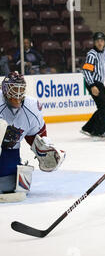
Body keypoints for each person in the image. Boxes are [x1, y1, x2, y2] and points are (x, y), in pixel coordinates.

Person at [0, 72, 65, 200]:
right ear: (5, 91)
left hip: (10, 145)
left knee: (6, 186)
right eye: (14, 90)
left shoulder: (31, 107)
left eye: (20, 90)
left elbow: (36, 134)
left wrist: (43, 148)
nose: (18, 95)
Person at [80, 32, 105, 140]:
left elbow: (102, 68)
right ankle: (98, 131)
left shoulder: (104, 52)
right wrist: (92, 86)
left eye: (101, 41)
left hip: (99, 83)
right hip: (93, 82)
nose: (100, 43)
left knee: (102, 107)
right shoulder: (91, 54)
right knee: (103, 107)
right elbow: (86, 71)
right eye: (97, 41)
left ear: (104, 42)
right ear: (94, 42)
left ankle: (88, 128)